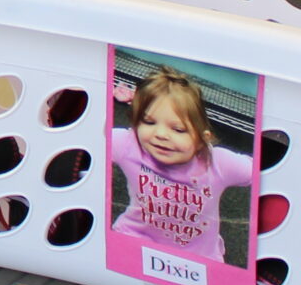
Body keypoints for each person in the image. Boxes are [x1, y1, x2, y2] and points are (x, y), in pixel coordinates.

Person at [109, 66, 259, 265]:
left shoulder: (217, 162)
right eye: (149, 122)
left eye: (178, 129)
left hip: (197, 254)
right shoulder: (129, 144)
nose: (161, 134)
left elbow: (262, 173)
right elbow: (87, 140)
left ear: (201, 140)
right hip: (135, 235)